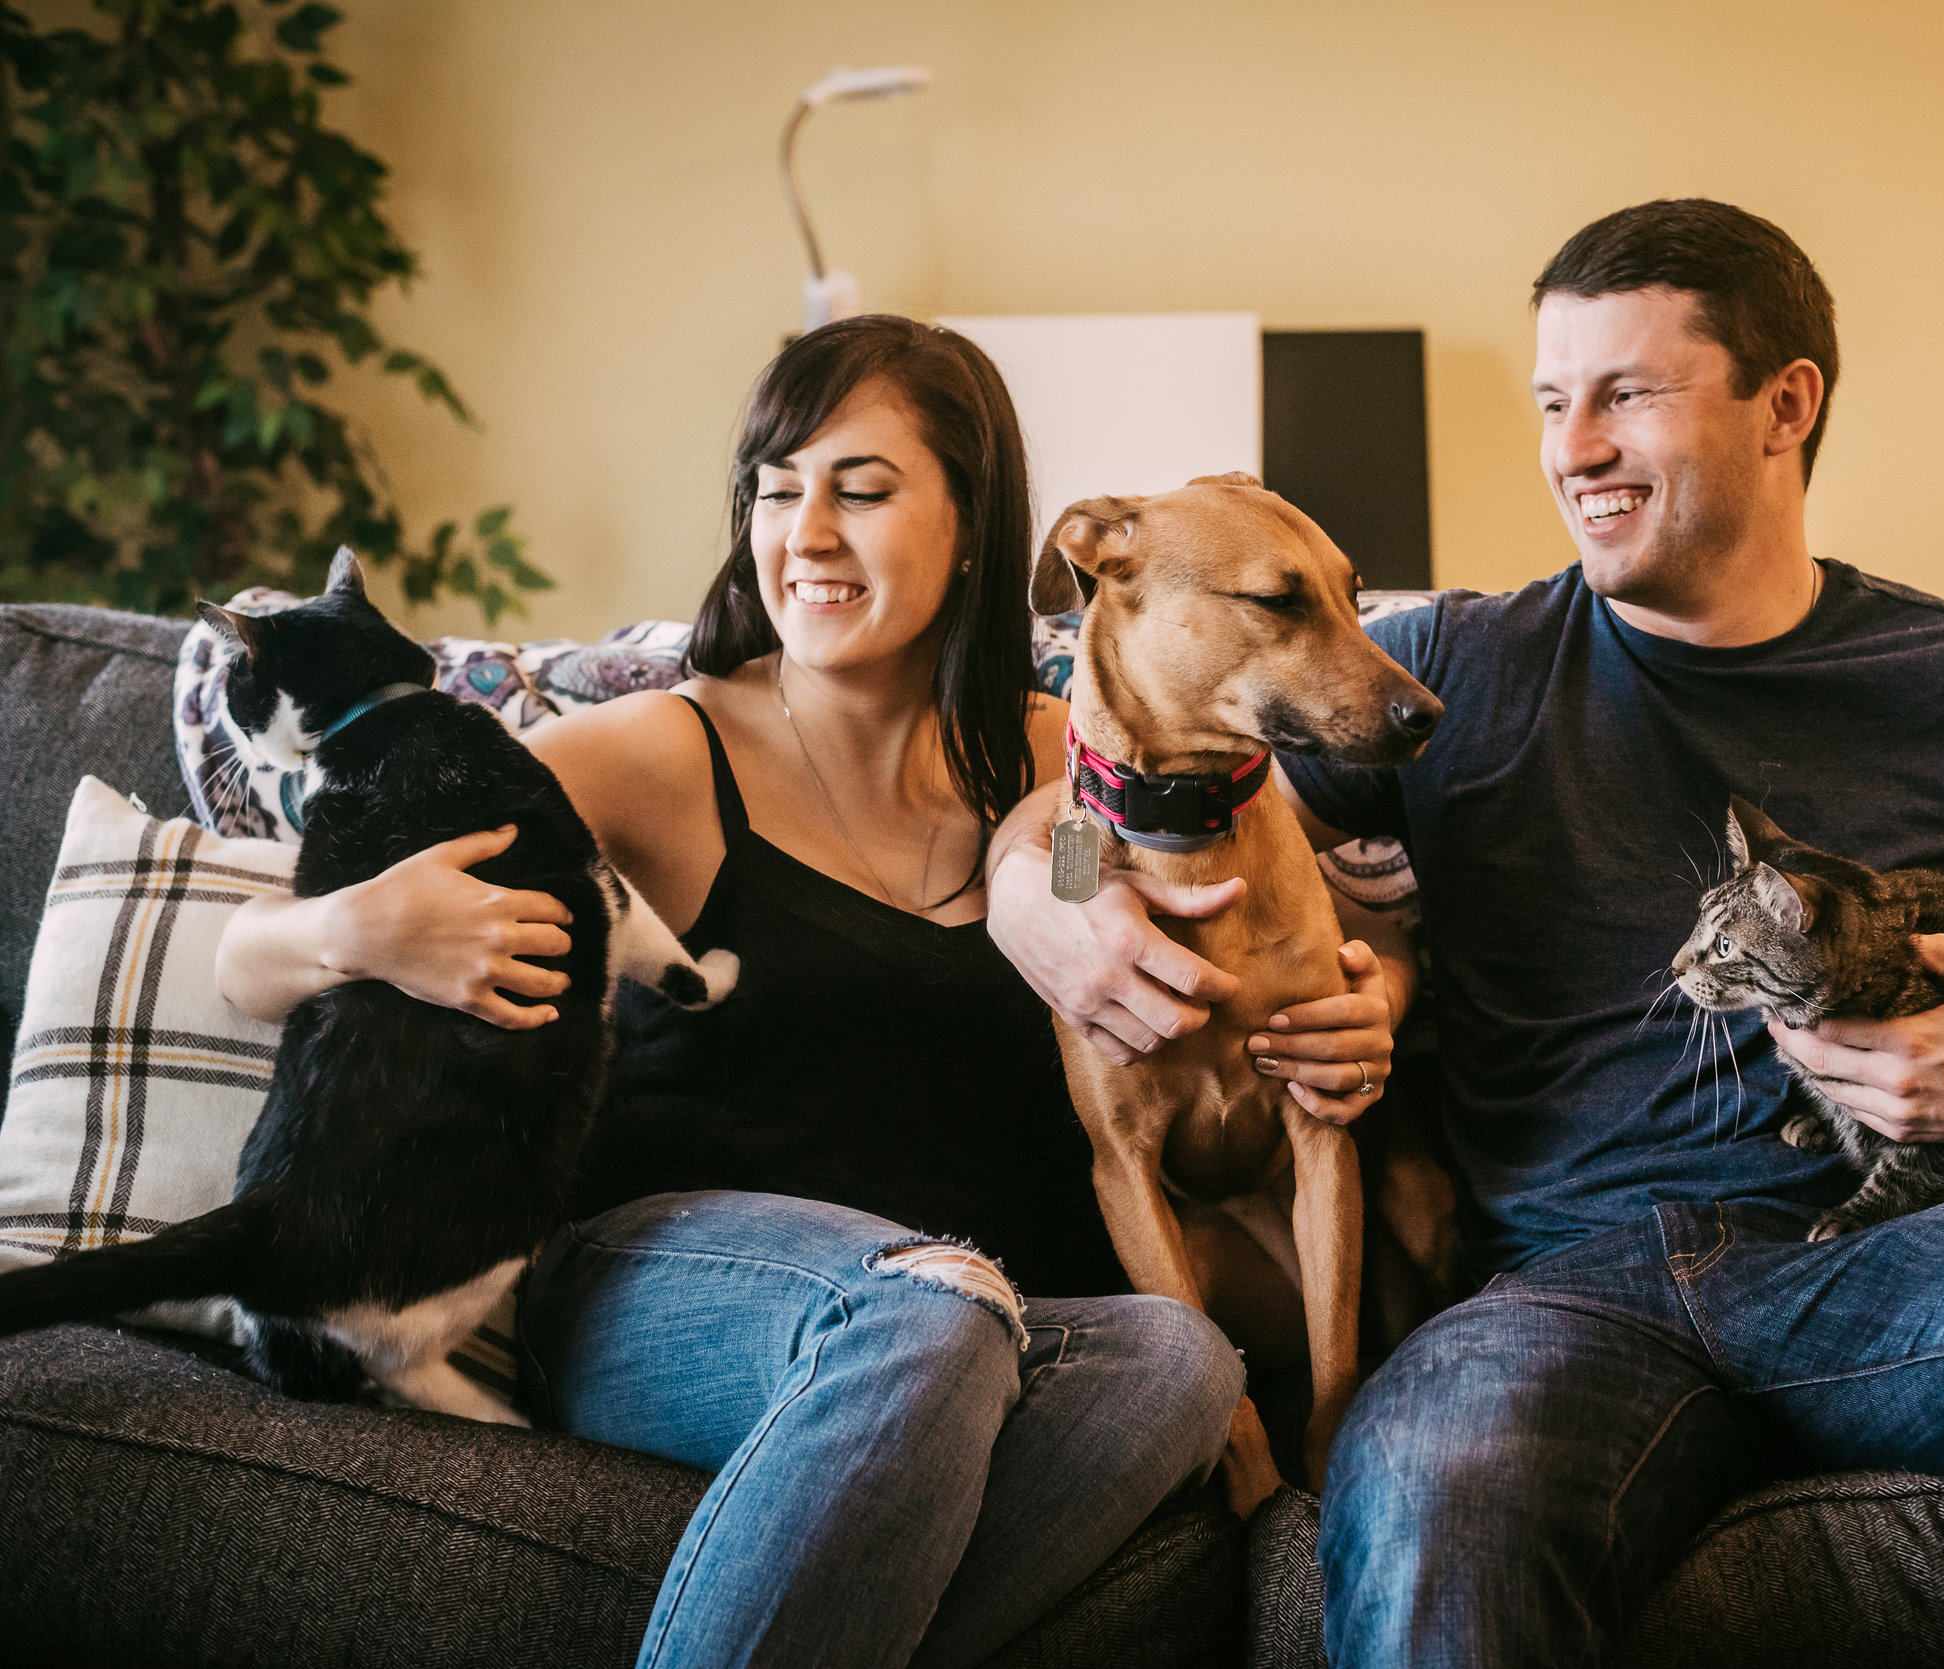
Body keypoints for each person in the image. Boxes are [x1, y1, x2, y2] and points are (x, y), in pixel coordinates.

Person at [987, 200, 1944, 1667]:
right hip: (1562, 1290)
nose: (1572, 446)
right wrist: (1036, 900)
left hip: (1898, 1262)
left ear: (1785, 406)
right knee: (1430, 1467)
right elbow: (1119, 772)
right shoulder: (1442, 673)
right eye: (1557, 400)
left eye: (1627, 393)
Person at [213, 317, 1386, 1669]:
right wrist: (363, 925)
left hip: (990, 1325)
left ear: (971, 520)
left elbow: (1073, 856)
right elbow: (248, 959)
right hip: (674, 1283)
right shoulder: (658, 747)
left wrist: (1358, 993)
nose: (805, 531)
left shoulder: (1059, 754)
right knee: (930, 1314)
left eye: (864, 489)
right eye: (776, 487)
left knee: (1182, 1366)